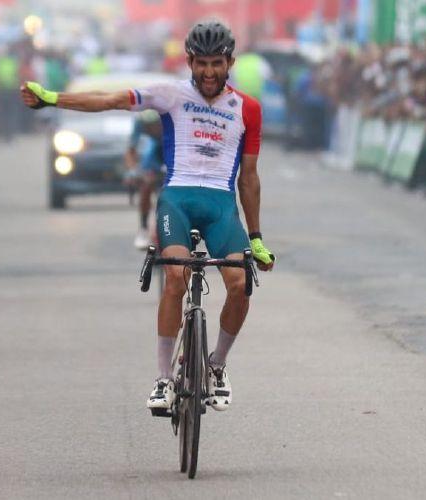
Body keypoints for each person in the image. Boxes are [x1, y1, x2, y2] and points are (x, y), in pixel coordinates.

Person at [20, 21, 275, 413]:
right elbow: (109, 100)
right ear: (190, 62)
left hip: (221, 205)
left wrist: (255, 237)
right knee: (175, 276)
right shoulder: (171, 94)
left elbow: (249, 177)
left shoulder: (248, 109)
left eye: (217, 63)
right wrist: (52, 99)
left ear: (230, 63)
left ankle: (217, 366)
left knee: (240, 283)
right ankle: (162, 378)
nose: (209, 72)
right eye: (202, 63)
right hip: (178, 199)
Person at [126, 110, 165, 249]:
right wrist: (134, 171)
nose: (152, 129)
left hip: (169, 152)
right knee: (146, 185)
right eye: (148, 126)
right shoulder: (139, 124)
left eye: (155, 125)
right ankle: (143, 228)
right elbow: (131, 151)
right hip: (152, 158)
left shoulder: (170, 120)